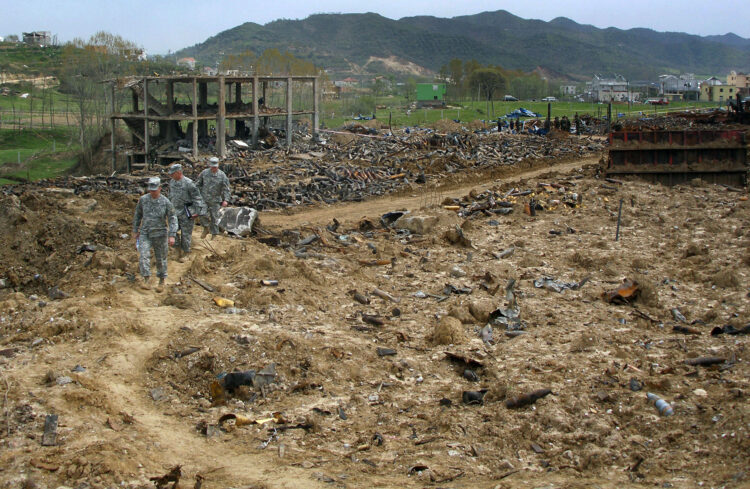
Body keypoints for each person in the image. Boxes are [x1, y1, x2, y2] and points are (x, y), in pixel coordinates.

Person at [133, 177, 177, 292]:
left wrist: (172, 235)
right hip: (145, 233)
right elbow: (137, 215)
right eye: (150, 190)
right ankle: (146, 279)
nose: (152, 192)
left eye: (155, 189)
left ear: (160, 188)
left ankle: (161, 281)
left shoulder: (166, 202)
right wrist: (135, 230)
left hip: (160, 234)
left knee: (161, 259)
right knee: (143, 256)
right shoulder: (143, 200)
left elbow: (172, 218)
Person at [167, 163, 206, 262]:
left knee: (186, 234)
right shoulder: (172, 182)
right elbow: (170, 196)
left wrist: (197, 211)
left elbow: (197, 198)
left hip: (186, 212)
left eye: (173, 173)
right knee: (172, 231)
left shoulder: (189, 183)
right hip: (174, 212)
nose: (171, 175)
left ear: (179, 173)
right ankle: (177, 250)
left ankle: (186, 252)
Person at [196, 157, 231, 239]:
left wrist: (226, 200)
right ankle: (206, 228)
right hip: (204, 199)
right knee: (201, 213)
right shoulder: (204, 173)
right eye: (212, 166)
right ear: (210, 165)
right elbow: (198, 184)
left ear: (218, 166)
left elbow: (226, 189)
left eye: (215, 167)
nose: (213, 168)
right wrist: (196, 195)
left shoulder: (222, 175)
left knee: (214, 218)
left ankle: (214, 234)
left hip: (215, 200)